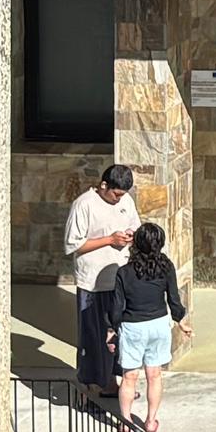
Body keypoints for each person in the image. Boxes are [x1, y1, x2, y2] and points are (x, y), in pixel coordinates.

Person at [64, 162, 139, 402]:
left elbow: (134, 226)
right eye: (116, 194)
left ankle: (111, 383)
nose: (119, 199)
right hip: (93, 283)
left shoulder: (126, 202)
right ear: (103, 185)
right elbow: (72, 244)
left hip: (118, 279)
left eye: (123, 195)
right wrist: (109, 239)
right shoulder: (84, 204)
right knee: (93, 336)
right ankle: (90, 389)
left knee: (117, 336)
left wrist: (130, 237)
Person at [111, 219, 191, 432]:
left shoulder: (124, 272)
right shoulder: (166, 267)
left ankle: (125, 422)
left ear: (136, 244)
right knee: (154, 375)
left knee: (129, 377)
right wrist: (181, 321)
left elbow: (117, 307)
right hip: (158, 325)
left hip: (132, 327)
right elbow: (173, 299)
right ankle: (150, 420)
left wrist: (111, 331)